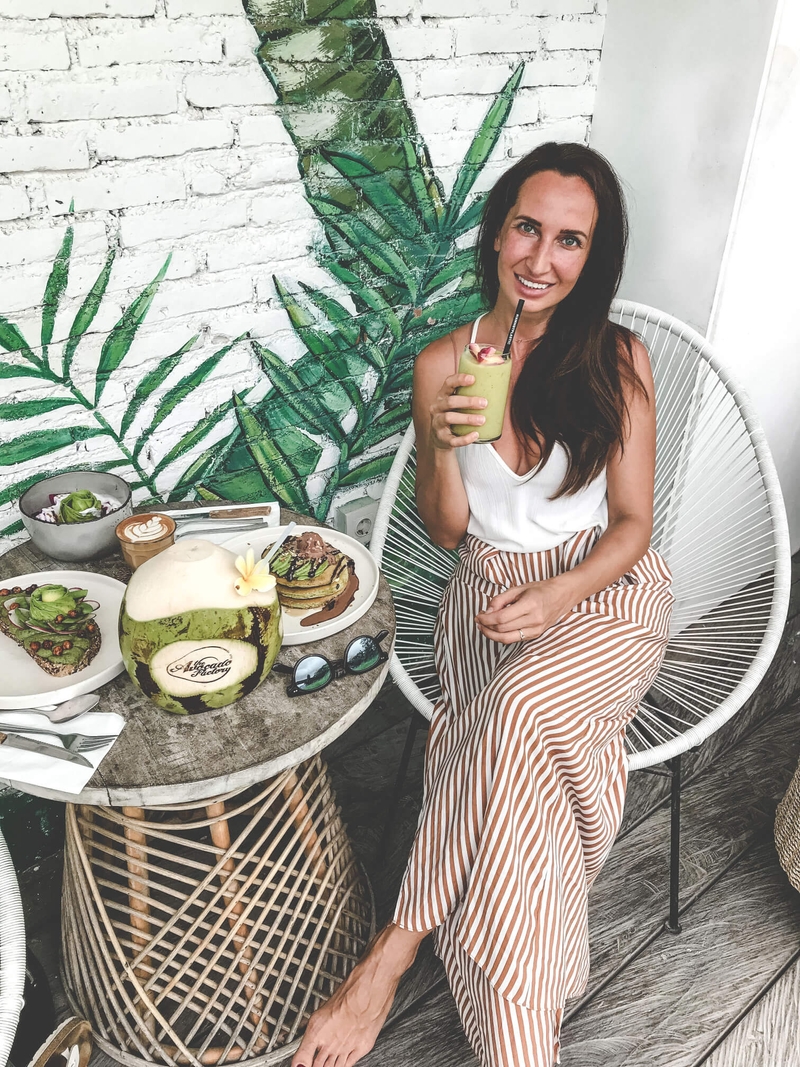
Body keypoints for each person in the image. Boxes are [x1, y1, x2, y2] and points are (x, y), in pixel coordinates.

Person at [291, 142, 674, 1067]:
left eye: (570, 241)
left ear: (595, 258)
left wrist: (560, 596)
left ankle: (391, 954)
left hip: (604, 590)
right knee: (519, 784)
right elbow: (454, 530)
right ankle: (521, 1035)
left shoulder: (617, 359)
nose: (542, 259)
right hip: (487, 596)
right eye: (528, 228)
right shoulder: (441, 363)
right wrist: (436, 439)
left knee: (505, 716)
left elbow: (631, 526)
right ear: (498, 232)